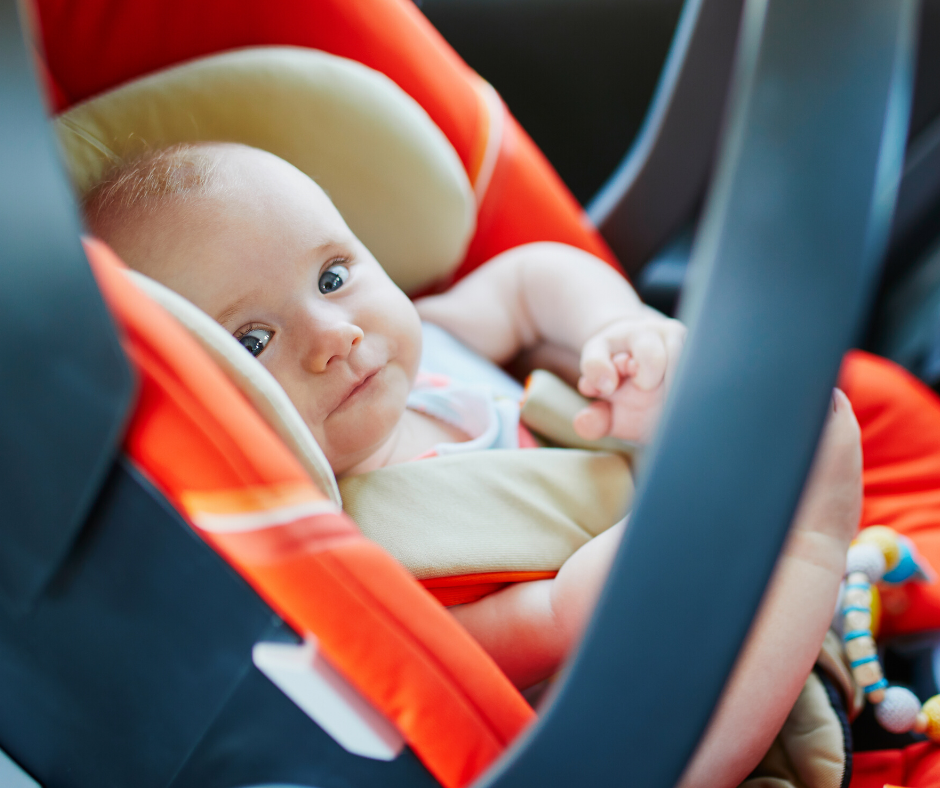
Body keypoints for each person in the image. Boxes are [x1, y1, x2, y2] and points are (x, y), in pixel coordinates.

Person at [83, 141, 862, 788]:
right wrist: (677, 536)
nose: (334, 334)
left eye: (332, 276)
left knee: (791, 398)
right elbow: (542, 625)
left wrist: (619, 327)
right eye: (253, 342)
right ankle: (810, 542)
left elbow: (529, 282)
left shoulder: (435, 340)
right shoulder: (346, 563)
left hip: (700, 547)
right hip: (637, 712)